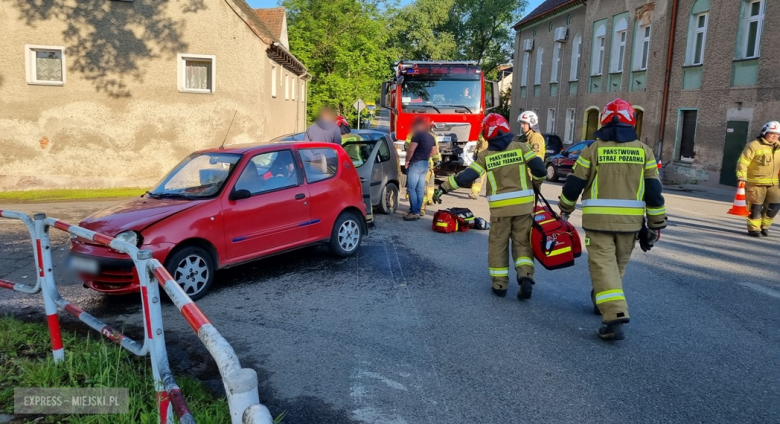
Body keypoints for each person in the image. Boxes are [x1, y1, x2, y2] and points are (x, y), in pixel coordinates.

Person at [557, 98, 667, 341]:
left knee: (604, 266)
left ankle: (614, 314)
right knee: (616, 267)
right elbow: (653, 191)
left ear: (604, 120)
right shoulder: (644, 151)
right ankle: (602, 301)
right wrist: (656, 224)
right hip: (631, 225)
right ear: (631, 122)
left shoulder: (593, 149)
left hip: (598, 223)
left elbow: (574, 183)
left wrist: (565, 208)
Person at [433, 113, 546, 299]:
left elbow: (465, 177)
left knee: (498, 245)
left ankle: (500, 285)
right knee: (522, 243)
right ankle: (525, 277)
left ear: (488, 133)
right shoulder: (521, 147)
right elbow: (540, 170)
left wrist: (443, 188)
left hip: (501, 211)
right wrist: (537, 185)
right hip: (524, 208)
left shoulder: (485, 156)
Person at [736, 121, 780, 237]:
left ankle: (764, 227)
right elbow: (743, 161)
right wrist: (741, 177)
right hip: (755, 183)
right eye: (772, 133)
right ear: (764, 132)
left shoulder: (779, 146)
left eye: (777, 134)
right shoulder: (753, 145)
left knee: (774, 207)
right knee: (755, 207)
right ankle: (754, 229)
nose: (775, 136)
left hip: (775, 184)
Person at [404, 117, 436, 221]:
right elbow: (433, 152)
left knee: (411, 188)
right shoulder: (431, 137)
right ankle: (417, 210)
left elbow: (411, 149)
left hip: (416, 163)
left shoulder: (417, 135)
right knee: (420, 189)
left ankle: (414, 212)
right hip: (425, 164)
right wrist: (426, 156)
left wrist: (407, 161)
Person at [469, 134, 489, 199]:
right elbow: (478, 144)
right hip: (481, 157)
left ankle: (490, 193)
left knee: (492, 176)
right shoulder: (482, 133)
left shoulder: (494, 133)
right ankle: (474, 193)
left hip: (489, 156)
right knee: (479, 175)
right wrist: (475, 154)